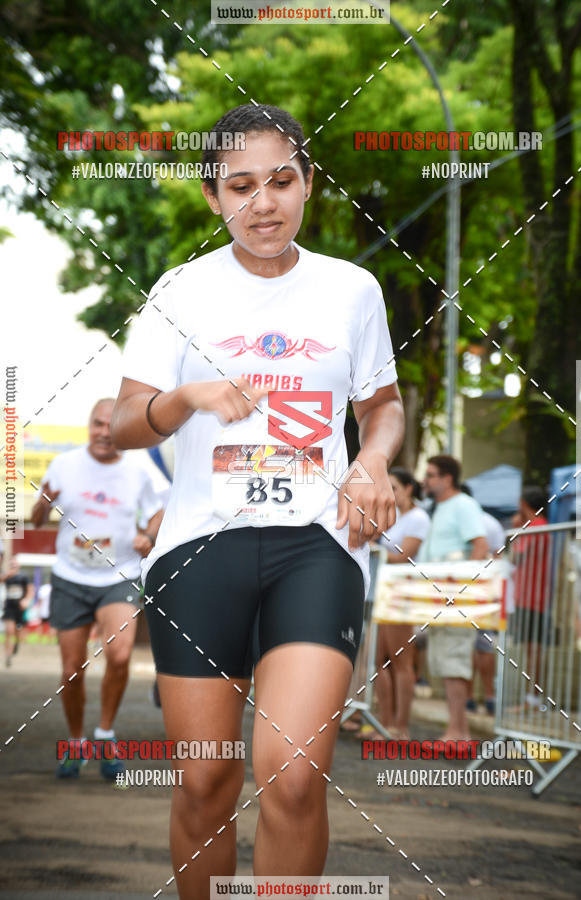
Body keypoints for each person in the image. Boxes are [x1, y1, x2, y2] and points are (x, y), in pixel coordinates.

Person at [110, 103, 404, 899]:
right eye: (240, 187)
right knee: (207, 782)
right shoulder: (180, 291)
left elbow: (383, 405)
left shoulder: (352, 289)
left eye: (281, 180)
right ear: (213, 197)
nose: (263, 203)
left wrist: (373, 462)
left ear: (310, 183)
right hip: (201, 548)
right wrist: (188, 398)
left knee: (295, 774)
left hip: (316, 543)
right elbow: (124, 421)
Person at [31, 398, 163, 779]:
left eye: (111, 425)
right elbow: (37, 517)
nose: (104, 432)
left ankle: (105, 734)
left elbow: (158, 510)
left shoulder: (140, 469)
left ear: (121, 428)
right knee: (72, 669)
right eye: (97, 424)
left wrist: (149, 536)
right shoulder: (64, 464)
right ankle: (76, 743)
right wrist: (43, 505)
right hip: (71, 575)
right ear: (88, 426)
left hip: (117, 575)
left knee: (119, 656)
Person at [419, 455, 489, 741]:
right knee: (445, 665)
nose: (426, 480)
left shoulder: (463, 505)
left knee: (453, 663)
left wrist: (461, 590)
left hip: (454, 598)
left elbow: (480, 546)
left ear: (447, 478)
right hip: (439, 597)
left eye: (431, 475)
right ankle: (457, 732)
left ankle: (458, 734)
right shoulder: (439, 508)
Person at [371, 468, 430, 738]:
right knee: (379, 662)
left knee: (401, 663)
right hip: (384, 592)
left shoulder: (418, 517)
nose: (390, 492)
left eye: (394, 487)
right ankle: (386, 724)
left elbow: (404, 556)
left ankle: (401, 726)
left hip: (403, 593)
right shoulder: (391, 515)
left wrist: (375, 548)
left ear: (408, 488)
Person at [461, 484, 505, 715]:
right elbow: (498, 558)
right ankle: (486, 697)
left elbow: (496, 557)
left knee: (476, 646)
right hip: (484, 592)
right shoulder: (491, 522)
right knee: (482, 646)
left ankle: (477, 697)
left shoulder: (474, 521)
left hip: (477, 593)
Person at [511, 486, 551, 705]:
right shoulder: (540, 525)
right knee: (532, 649)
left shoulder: (536, 526)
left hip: (531, 597)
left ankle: (532, 699)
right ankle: (532, 698)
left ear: (524, 504)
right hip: (532, 596)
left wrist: (517, 530)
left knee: (532, 649)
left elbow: (517, 556)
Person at [1, 555, 33, 666]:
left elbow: (30, 590)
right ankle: (8, 655)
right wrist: (8, 575)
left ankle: (17, 643)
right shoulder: (7, 576)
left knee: (17, 631)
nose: (13, 566)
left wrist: (26, 600)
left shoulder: (23, 577)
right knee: (9, 631)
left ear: (18, 565)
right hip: (9, 606)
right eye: (11, 564)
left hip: (19, 607)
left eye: (15, 564)